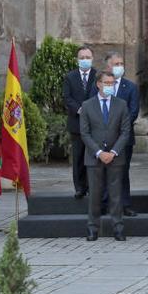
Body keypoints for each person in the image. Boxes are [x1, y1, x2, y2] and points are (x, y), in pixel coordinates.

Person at [79, 71, 132, 242]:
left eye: (112, 83)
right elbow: (85, 133)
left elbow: (125, 132)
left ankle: (118, 228)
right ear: (98, 84)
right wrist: (99, 153)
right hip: (94, 158)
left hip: (116, 157)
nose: (110, 86)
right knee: (95, 194)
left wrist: (113, 152)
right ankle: (93, 228)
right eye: (106, 83)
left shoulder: (121, 104)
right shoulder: (87, 105)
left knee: (116, 194)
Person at [105, 52, 140, 217]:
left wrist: (118, 128)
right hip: (104, 137)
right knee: (104, 171)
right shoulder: (100, 86)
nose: (119, 67)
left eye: (121, 63)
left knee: (123, 172)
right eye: (115, 64)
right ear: (108, 67)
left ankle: (125, 205)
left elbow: (133, 112)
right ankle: (106, 204)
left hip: (124, 137)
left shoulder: (131, 87)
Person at [63, 45, 97, 199]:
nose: (85, 60)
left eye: (87, 57)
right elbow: (67, 98)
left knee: (92, 157)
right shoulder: (70, 77)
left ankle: (92, 187)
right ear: (77, 60)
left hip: (94, 124)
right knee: (78, 158)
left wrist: (90, 110)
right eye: (82, 58)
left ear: (92, 59)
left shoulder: (97, 76)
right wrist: (80, 110)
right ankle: (79, 188)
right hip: (76, 123)